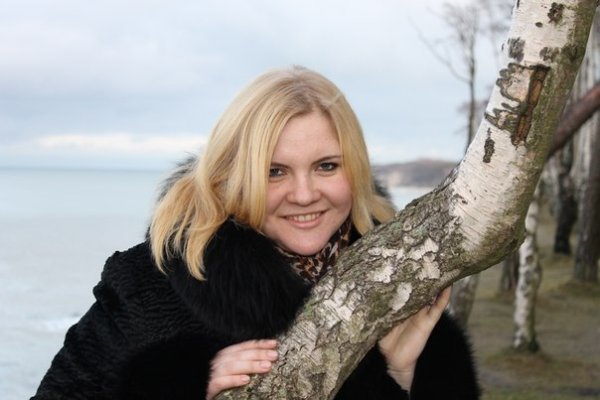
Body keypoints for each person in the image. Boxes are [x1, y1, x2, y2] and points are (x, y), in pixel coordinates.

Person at [32, 66, 480, 399]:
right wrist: (180, 385)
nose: (304, 195)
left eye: (326, 166)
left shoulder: (395, 278)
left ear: (356, 171)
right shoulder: (147, 285)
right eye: (274, 171)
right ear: (233, 176)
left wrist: (399, 378)